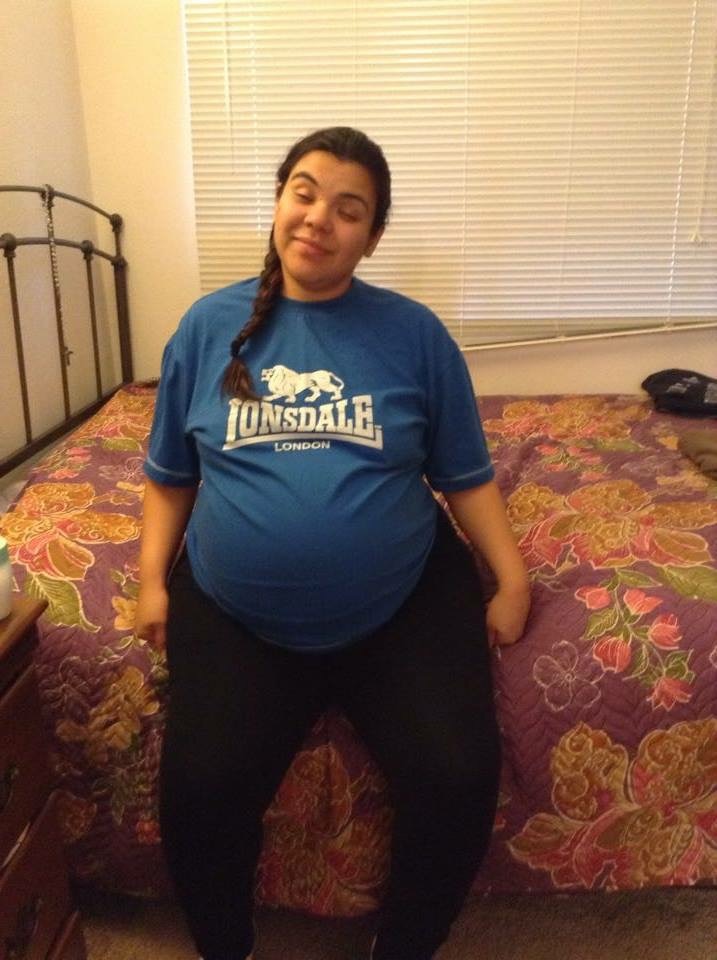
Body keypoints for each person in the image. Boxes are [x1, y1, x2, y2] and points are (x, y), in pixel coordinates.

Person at [136, 126, 530, 960]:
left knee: (458, 774)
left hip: (402, 597)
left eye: (348, 210)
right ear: (280, 202)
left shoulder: (414, 334)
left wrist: (511, 577)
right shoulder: (206, 328)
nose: (319, 218)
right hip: (235, 606)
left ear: (370, 237)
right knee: (198, 789)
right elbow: (170, 474)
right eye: (304, 193)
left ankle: (406, 946)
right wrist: (150, 581)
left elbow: (463, 474)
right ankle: (226, 945)